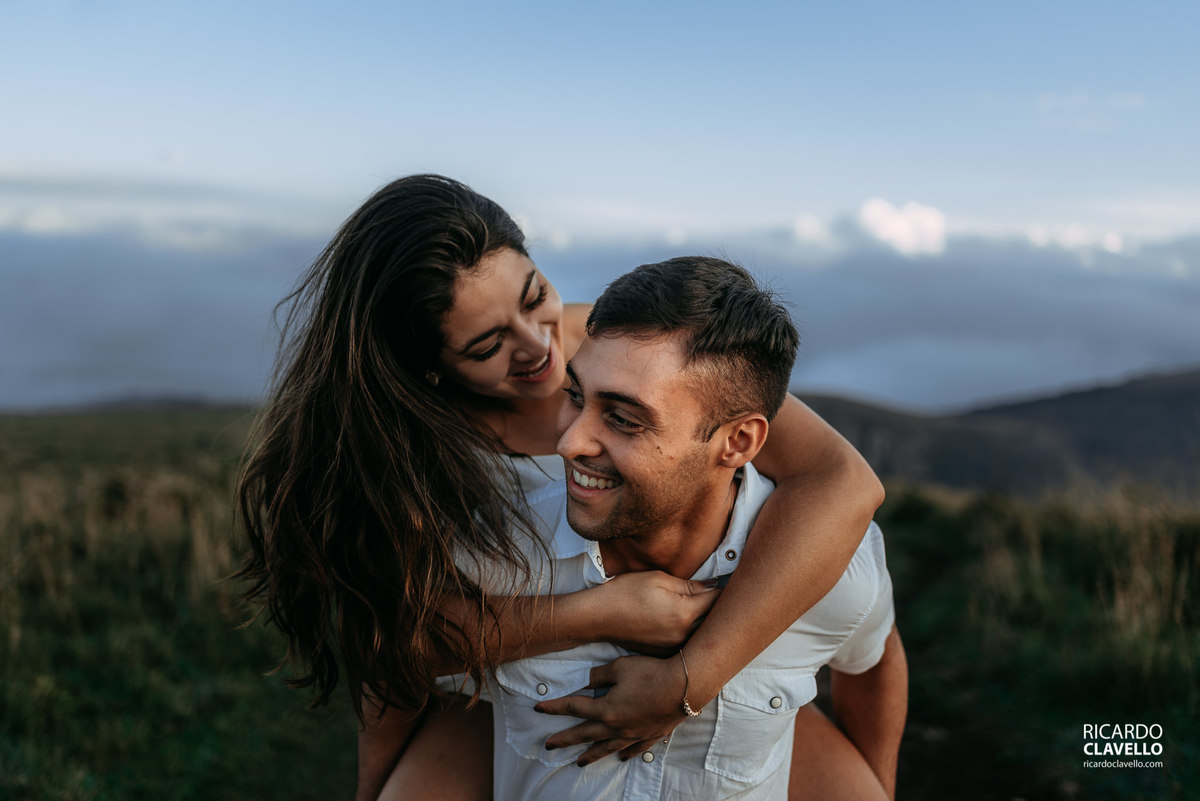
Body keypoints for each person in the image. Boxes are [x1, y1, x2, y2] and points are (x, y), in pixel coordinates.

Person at [235, 175, 885, 801]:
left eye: (533, 294)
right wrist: (604, 611)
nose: (539, 344)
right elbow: (400, 639)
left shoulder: (617, 346)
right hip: (496, 684)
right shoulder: (413, 455)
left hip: (726, 656)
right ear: (426, 370)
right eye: (488, 343)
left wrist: (695, 677)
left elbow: (841, 486)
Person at [466, 256, 907, 800]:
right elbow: (396, 662)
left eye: (624, 418)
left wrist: (877, 788)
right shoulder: (498, 554)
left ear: (738, 443)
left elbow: (873, 655)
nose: (568, 443)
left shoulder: (831, 570)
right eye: (575, 397)